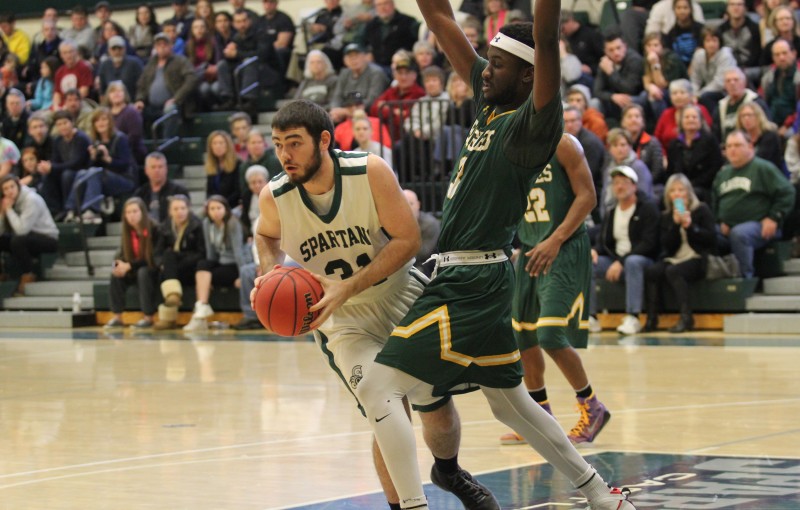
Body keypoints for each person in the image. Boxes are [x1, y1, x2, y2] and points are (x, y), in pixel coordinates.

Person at [330, 0, 633, 506]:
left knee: (379, 386)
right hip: (476, 277)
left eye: (497, 65)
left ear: (527, 76)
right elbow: (442, 21)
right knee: (511, 406)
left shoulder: (534, 125)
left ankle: (412, 506)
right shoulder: (492, 103)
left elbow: (546, 29)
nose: (484, 70)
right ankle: (602, 496)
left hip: (471, 283)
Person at [253, 100, 501, 510]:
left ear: (324, 140)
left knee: (436, 406)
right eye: (278, 144)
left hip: (400, 294)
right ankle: (402, 505)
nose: (284, 155)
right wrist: (268, 274)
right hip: (342, 321)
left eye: (294, 143)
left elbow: (408, 242)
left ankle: (449, 470)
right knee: (383, 406)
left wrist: (348, 286)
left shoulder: (368, 171)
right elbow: (266, 236)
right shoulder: (275, 196)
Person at [498, 132, 608, 448]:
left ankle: (593, 407)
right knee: (523, 337)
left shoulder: (563, 144)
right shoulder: (508, 148)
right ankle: (540, 419)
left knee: (550, 335)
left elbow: (588, 196)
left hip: (564, 247)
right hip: (531, 248)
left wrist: (556, 239)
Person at [712, 130, 795, 278]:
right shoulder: (722, 174)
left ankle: (744, 280)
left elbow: (787, 192)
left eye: (737, 145)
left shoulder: (763, 168)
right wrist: (720, 221)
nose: (732, 149)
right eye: (729, 146)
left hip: (760, 225)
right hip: (728, 227)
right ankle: (713, 277)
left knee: (740, 234)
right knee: (704, 232)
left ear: (750, 146)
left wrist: (774, 217)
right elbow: (715, 202)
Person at [589, 165, 660, 335]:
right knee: (588, 262)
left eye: (624, 183)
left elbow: (648, 243)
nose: (619, 186)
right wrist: (595, 251)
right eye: (616, 183)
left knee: (632, 262)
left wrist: (621, 262)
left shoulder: (648, 208)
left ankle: (633, 317)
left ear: (634, 186)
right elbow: (604, 241)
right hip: (616, 260)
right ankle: (591, 317)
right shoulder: (612, 212)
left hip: (643, 258)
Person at [644, 173, 715, 333]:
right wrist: (676, 225)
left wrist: (690, 227)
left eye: (681, 190)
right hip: (675, 257)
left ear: (688, 192)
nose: (677, 194)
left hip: (697, 257)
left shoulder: (701, 210)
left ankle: (686, 318)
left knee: (673, 271)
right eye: (673, 191)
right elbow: (667, 247)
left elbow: (711, 240)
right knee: (652, 271)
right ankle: (651, 318)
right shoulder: (666, 216)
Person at [184, 195, 245, 331]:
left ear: (225, 209)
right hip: (219, 262)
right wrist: (207, 276)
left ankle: (199, 314)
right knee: (202, 265)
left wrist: (242, 276)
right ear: (207, 211)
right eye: (212, 209)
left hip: (233, 264)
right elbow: (210, 253)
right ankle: (202, 307)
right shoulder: (207, 224)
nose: (216, 211)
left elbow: (238, 251)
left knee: (204, 278)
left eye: (219, 208)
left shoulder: (232, 223)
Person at [105, 197, 161, 329]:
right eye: (128, 212)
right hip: (134, 268)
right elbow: (120, 255)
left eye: (135, 211)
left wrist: (129, 266)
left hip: (152, 269)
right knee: (116, 275)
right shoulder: (127, 232)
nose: (131, 215)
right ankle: (117, 317)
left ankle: (148, 317)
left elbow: (153, 258)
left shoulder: (155, 229)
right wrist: (116, 267)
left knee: (143, 272)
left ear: (142, 212)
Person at [0, 175, 58, 296]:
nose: (10, 191)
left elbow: (22, 230)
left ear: (18, 186)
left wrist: (9, 211)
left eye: (12, 186)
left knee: (17, 241)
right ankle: (2, 274)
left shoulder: (31, 199)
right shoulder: (9, 202)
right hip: (27, 237)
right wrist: (2, 213)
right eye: (5, 189)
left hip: (47, 239)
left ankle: (28, 275)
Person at [154, 194, 205, 329]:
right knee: (167, 258)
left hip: (190, 266)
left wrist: (178, 260)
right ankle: (173, 296)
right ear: (170, 211)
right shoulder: (164, 227)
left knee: (169, 261)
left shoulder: (196, 225)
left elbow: (201, 253)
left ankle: (168, 317)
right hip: (172, 267)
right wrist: (161, 264)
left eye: (182, 208)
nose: (179, 212)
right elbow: (157, 253)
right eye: (176, 209)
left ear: (188, 209)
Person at [134, 32, 198, 140]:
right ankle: (144, 144)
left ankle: (167, 142)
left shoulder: (180, 61)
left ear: (171, 46)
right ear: (155, 47)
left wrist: (176, 98)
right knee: (134, 111)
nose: (162, 47)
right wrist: (140, 99)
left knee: (170, 109)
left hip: (175, 104)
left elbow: (192, 78)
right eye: (159, 44)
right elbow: (141, 84)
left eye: (165, 44)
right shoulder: (151, 64)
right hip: (151, 105)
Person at [665, 104, 723, 201]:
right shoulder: (674, 144)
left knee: (692, 194)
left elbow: (715, 167)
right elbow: (670, 170)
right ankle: (680, 214)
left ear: (701, 121)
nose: (690, 120)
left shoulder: (710, 140)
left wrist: (691, 185)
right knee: (673, 196)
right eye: (687, 117)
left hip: (703, 187)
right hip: (679, 187)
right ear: (681, 121)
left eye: (694, 117)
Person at [41, 110, 90, 218]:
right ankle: (55, 210)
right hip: (66, 170)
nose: (63, 127)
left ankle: (70, 208)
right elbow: (55, 160)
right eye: (59, 124)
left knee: (67, 175)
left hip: (82, 171)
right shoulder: (58, 140)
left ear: (72, 122)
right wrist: (47, 166)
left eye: (65, 123)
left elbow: (77, 162)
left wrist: (53, 167)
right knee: (47, 176)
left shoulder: (81, 138)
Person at [329, 43, 390, 123]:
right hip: (345, 118)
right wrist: (335, 111)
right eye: (350, 57)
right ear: (345, 60)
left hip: (369, 117)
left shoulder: (376, 73)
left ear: (365, 57)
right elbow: (337, 96)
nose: (354, 60)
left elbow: (372, 100)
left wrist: (347, 111)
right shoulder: (344, 73)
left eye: (357, 56)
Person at [593, 30, 644, 122]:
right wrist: (612, 96)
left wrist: (611, 73)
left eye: (618, 48)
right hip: (616, 99)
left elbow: (629, 89)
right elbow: (597, 91)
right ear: (605, 51)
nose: (616, 53)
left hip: (636, 97)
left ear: (625, 46)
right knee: (595, 102)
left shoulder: (634, 60)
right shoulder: (605, 62)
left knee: (627, 100)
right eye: (611, 50)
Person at [712, 67, 770, 143]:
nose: (732, 83)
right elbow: (716, 134)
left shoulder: (757, 102)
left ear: (744, 82)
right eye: (728, 81)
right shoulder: (720, 107)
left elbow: (766, 128)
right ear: (724, 85)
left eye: (736, 80)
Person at [602, 128, 654, 209]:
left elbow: (644, 195)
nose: (620, 149)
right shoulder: (609, 168)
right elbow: (604, 195)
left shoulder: (639, 167)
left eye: (623, 145)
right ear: (610, 149)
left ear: (630, 146)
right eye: (615, 145)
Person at [362, 0, 419, 73]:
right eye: (379, 5)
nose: (382, 7)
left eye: (385, 3)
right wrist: (366, 53)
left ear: (393, 5)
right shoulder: (371, 25)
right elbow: (362, 43)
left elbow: (417, 44)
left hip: (402, 66)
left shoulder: (408, 22)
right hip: (376, 67)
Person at [133, 151, 189, 222]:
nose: (157, 170)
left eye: (160, 167)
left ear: (166, 169)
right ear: (146, 170)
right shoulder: (140, 194)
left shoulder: (179, 191)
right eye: (153, 167)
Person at [760, 38, 800, 134]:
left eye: (784, 53)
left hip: (794, 124)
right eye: (777, 55)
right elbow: (762, 103)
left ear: (794, 54)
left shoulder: (798, 78)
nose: (781, 58)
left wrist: (787, 125)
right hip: (771, 122)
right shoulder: (768, 78)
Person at [104, 81, 147, 165]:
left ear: (125, 94)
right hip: (110, 152)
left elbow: (134, 137)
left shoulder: (132, 112)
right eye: (113, 91)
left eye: (119, 91)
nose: (116, 94)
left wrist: (117, 149)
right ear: (108, 95)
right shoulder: (105, 113)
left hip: (131, 153)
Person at [735, 102, 783, 172]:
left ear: (758, 117)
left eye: (749, 115)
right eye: (743, 116)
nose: (746, 119)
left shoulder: (770, 136)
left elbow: (761, 159)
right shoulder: (740, 138)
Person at [402, 189, 440, 276]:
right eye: (403, 204)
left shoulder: (430, 224)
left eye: (411, 204)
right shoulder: (393, 224)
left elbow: (423, 253)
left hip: (427, 267)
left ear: (418, 205)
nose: (407, 208)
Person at [96, 35, 143, 102]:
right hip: (111, 105)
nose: (117, 52)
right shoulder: (104, 65)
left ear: (125, 49)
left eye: (120, 48)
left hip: (131, 103)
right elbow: (102, 91)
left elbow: (141, 86)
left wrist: (139, 101)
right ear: (109, 50)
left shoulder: (134, 63)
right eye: (114, 49)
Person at [205, 130, 242, 210]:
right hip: (215, 206)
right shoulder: (211, 166)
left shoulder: (238, 164)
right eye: (214, 143)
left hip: (232, 205)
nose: (218, 146)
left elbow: (238, 191)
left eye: (221, 143)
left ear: (227, 145)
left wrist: (221, 204)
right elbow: (209, 192)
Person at [53, 40, 93, 108]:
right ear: (61, 55)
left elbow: (84, 92)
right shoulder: (59, 72)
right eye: (65, 53)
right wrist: (56, 106)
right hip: (62, 106)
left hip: (79, 104)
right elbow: (57, 93)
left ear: (76, 52)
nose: (68, 55)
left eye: (70, 52)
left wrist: (68, 105)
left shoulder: (84, 68)